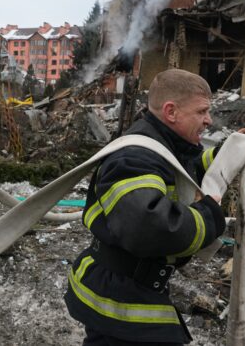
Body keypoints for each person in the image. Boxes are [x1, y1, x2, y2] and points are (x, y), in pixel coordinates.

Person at [64, 69, 227, 345]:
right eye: (202, 112)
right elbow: (149, 227)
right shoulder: (134, 157)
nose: (209, 120)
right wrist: (209, 216)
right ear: (171, 112)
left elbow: (183, 172)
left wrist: (227, 154)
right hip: (117, 296)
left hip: (131, 285)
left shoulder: (164, 143)